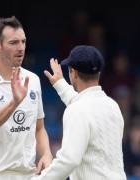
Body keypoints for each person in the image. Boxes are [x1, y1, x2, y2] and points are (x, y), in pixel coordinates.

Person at [0, 16, 52, 180]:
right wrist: (14, 103)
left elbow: (39, 128)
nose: (21, 48)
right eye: (13, 43)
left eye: (23, 41)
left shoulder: (32, 80)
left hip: (27, 174)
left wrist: (47, 154)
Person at [32, 45, 126, 180]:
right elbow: (86, 105)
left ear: (73, 73)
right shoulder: (112, 106)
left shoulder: (77, 110)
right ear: (98, 73)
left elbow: (68, 161)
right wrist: (60, 83)